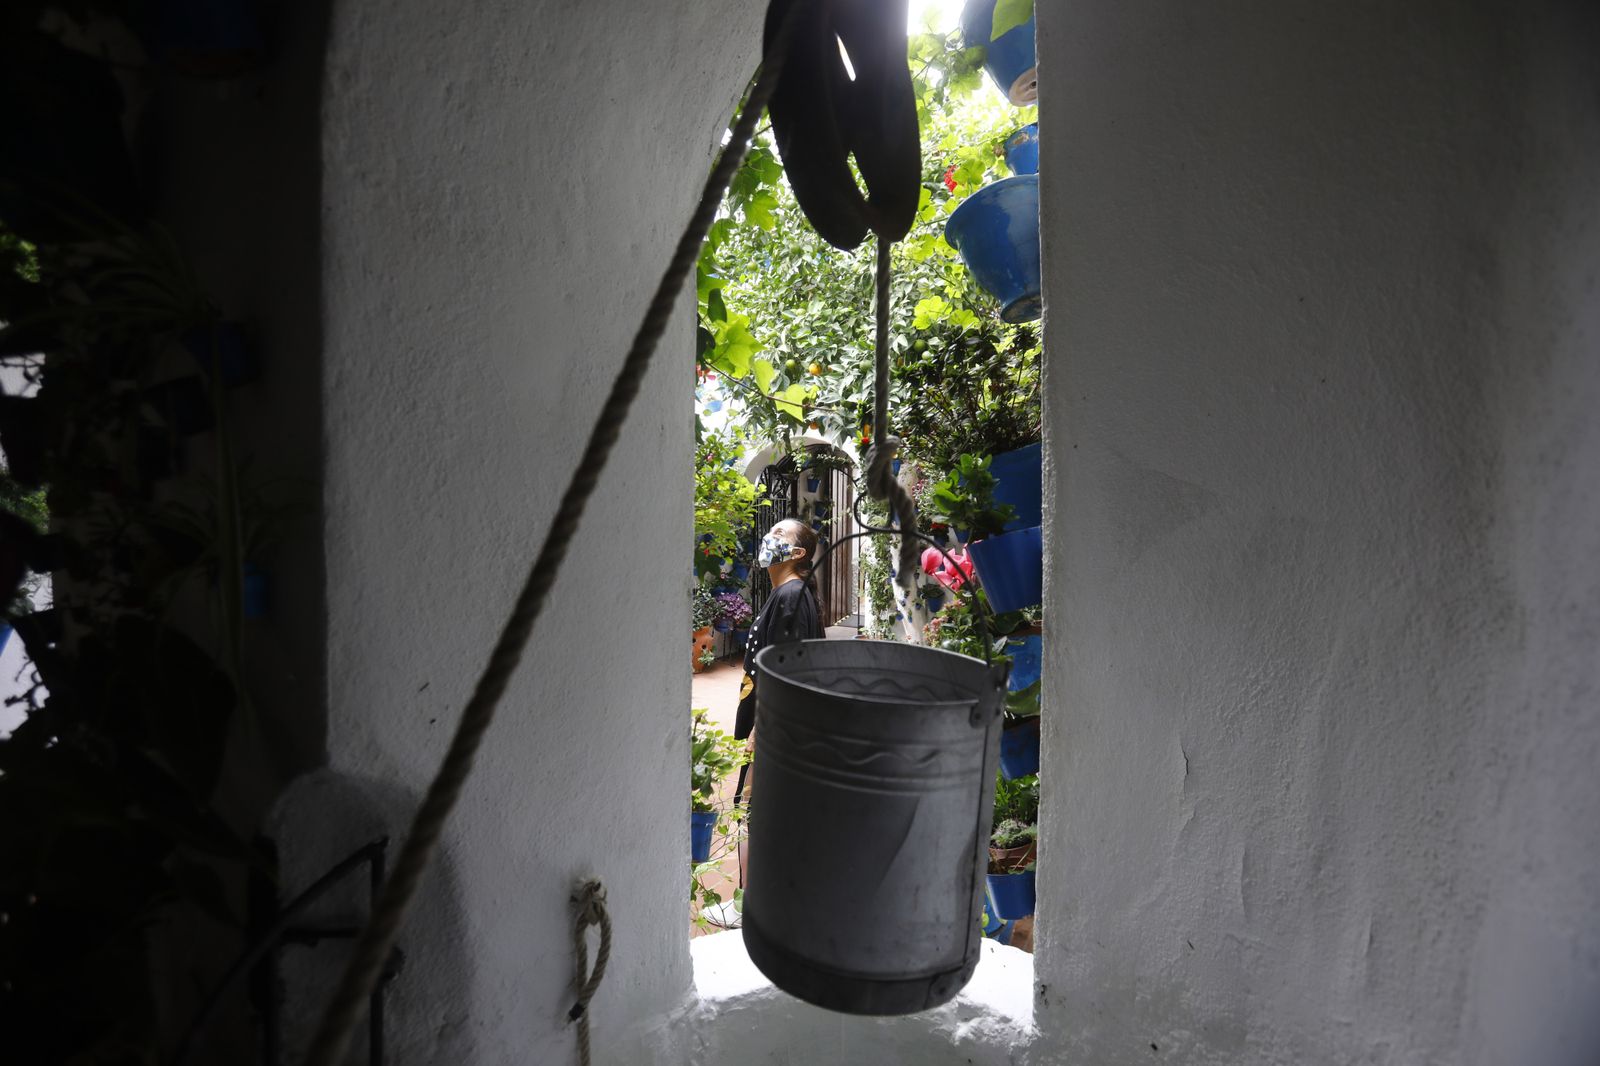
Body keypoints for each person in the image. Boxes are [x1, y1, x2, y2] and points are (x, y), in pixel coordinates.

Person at [732, 518, 823, 885]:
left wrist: (762, 729)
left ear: (798, 553)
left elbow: (790, 668)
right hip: (773, 724)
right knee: (759, 811)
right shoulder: (789, 594)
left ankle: (751, 902)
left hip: (773, 727)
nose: (769, 537)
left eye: (779, 534)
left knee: (755, 811)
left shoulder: (790, 595)